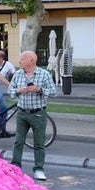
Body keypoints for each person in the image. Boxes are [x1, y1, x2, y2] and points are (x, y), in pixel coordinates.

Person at [8, 50, 57, 181]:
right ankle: (15, 167)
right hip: (22, 112)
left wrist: (39, 89)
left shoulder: (44, 74)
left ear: (31, 60)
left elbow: (53, 92)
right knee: (18, 141)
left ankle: (39, 169)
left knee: (39, 143)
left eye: (22, 59)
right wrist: (18, 91)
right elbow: (10, 91)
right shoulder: (18, 74)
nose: (19, 61)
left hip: (38, 113)